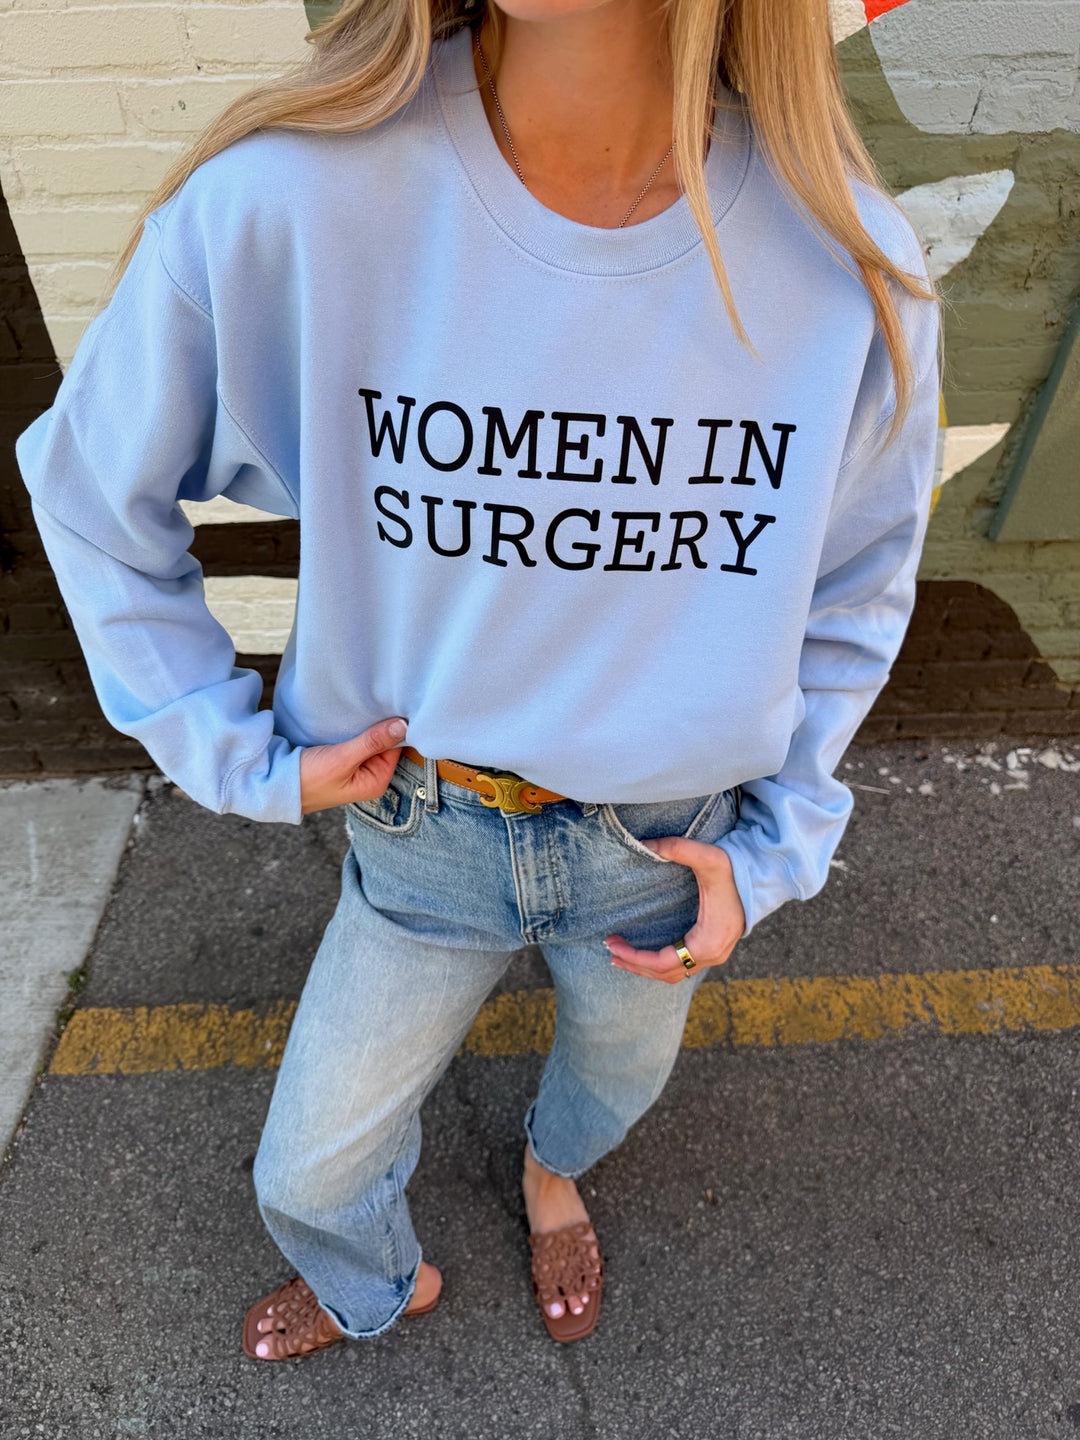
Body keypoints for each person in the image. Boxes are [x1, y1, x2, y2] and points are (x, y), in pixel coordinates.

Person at [15, 0, 940, 1357]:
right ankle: (371, 1284)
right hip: (426, 828)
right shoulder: (297, 199)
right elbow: (91, 489)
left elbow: (851, 596)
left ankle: (548, 1174)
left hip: (661, 843)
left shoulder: (841, 255)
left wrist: (786, 843)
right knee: (306, 1175)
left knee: (608, 1090)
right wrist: (234, 750)